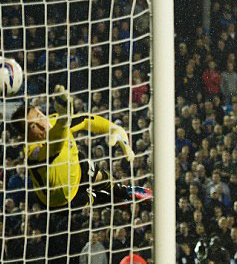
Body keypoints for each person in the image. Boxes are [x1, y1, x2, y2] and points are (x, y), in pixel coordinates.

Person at [10, 86, 147, 209]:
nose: (42, 125)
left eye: (40, 116)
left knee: (103, 178)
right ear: (24, 136)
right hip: (61, 200)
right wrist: (63, 122)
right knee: (96, 199)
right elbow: (54, 147)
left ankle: (123, 192)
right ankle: (107, 201)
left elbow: (85, 120)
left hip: (76, 170)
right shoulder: (32, 152)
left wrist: (113, 128)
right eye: (33, 126)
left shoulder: (55, 121)